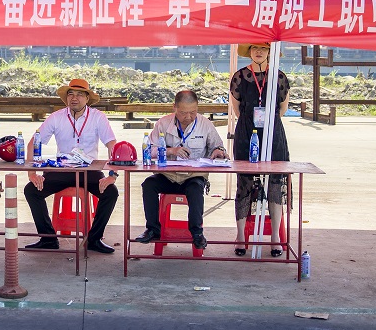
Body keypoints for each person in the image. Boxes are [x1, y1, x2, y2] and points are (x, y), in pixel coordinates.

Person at [24, 78, 118, 254]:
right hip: (61, 169)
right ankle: (48, 239)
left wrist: (112, 175)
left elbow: (112, 145)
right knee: (31, 190)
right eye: (71, 94)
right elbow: (33, 143)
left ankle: (94, 239)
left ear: (87, 98)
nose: (74, 98)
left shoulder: (98, 117)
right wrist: (32, 173)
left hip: (89, 170)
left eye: (80, 94)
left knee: (111, 192)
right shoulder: (57, 117)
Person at [134, 90, 227, 250]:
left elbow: (218, 147)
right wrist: (171, 150)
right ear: (174, 108)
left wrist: (219, 152)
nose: (188, 117)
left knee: (195, 189)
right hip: (168, 176)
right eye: (184, 113)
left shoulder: (205, 124)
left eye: (193, 112)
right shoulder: (163, 124)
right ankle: (153, 229)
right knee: (148, 184)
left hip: (193, 176)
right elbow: (148, 150)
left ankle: (197, 233)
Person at [230, 42, 290, 257]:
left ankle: (275, 238)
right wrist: (252, 123)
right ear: (249, 52)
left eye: (263, 49)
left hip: (273, 134)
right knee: (244, 183)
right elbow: (237, 108)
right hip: (246, 133)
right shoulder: (239, 76)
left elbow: (282, 108)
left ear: (270, 52)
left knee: (275, 184)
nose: (258, 52)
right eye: (255, 48)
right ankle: (240, 236)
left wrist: (267, 123)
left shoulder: (279, 76)